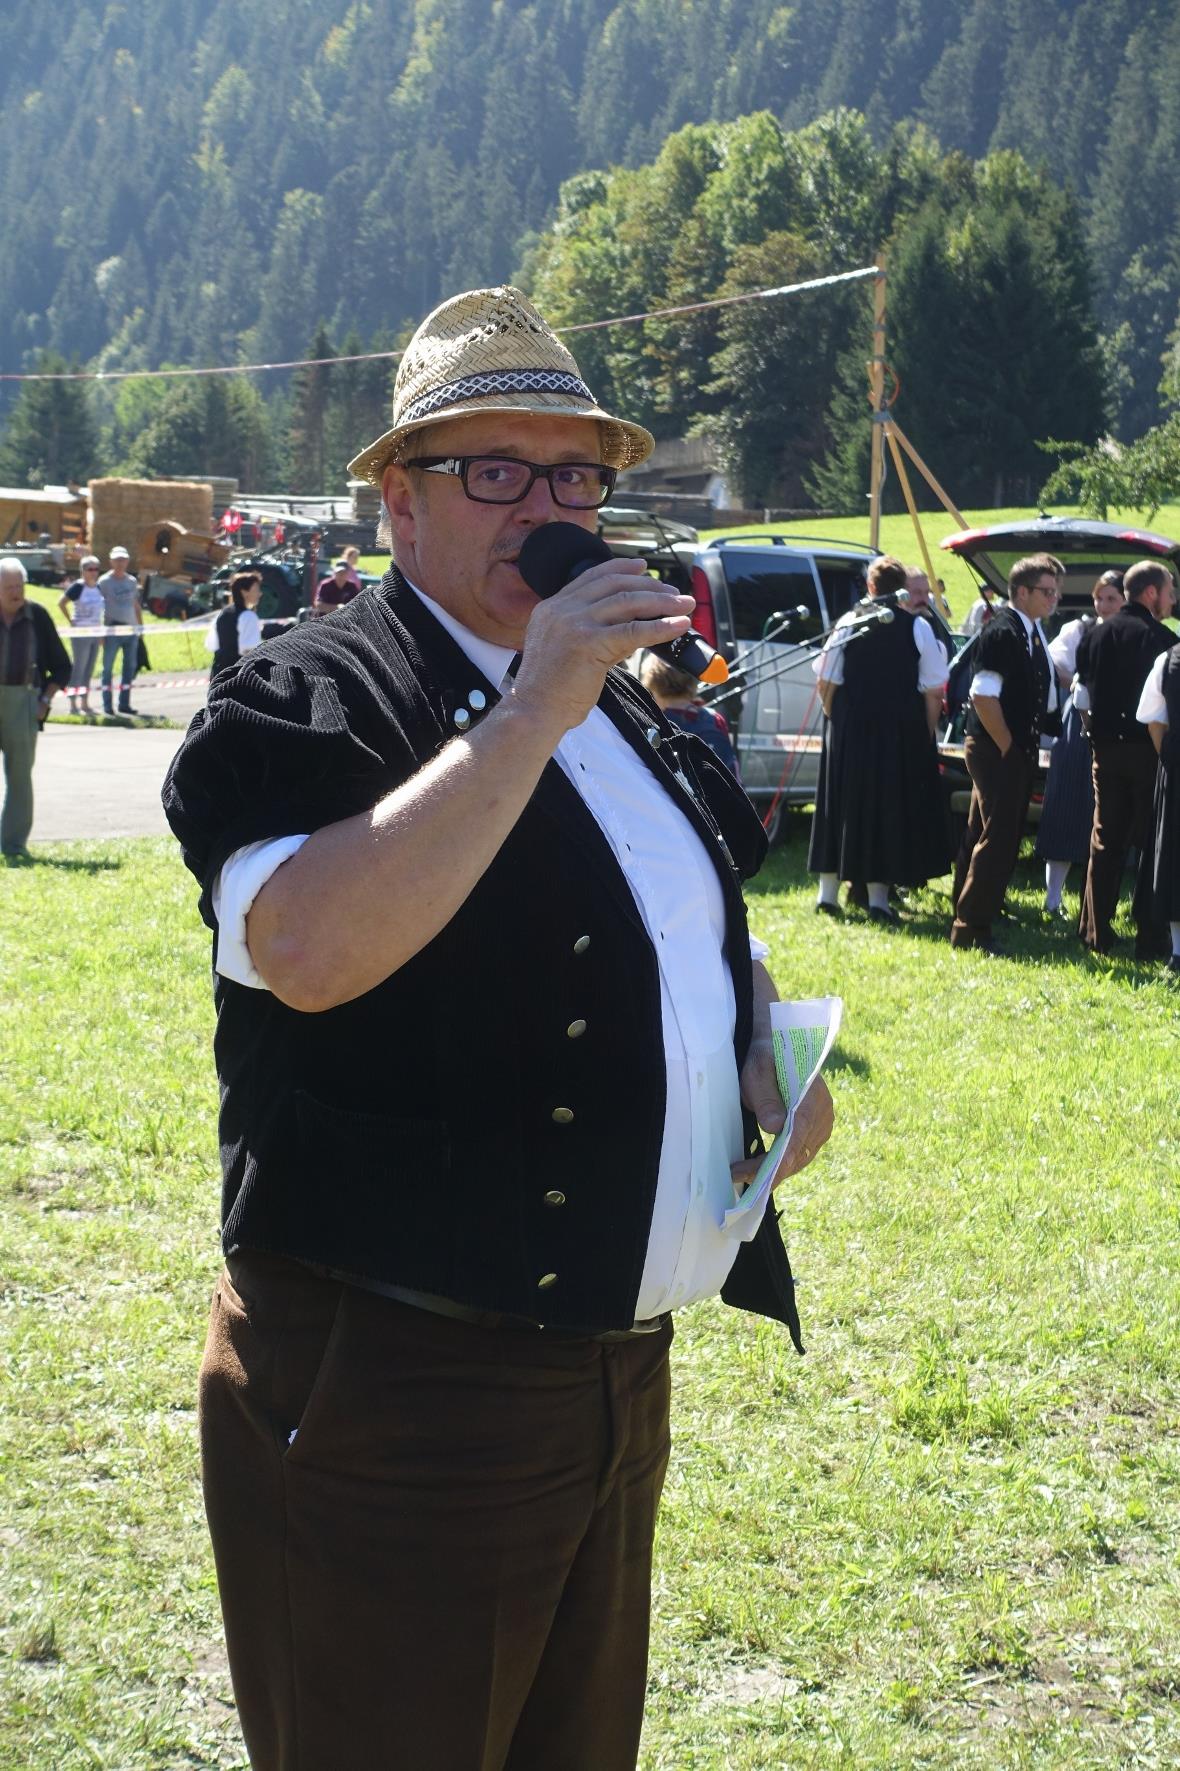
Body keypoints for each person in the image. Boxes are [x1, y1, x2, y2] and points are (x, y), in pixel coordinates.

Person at [161, 283, 833, 1771]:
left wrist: (761, 1062)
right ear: (398, 502)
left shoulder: (630, 712)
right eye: (497, 471)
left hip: (615, 1375)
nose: (547, 510)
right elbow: (306, 951)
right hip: (396, 1390)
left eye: (576, 479)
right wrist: (529, 710)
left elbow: (693, 936)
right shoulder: (310, 691)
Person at [807, 555, 950, 924]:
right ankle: (878, 902)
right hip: (897, 733)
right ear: (901, 588)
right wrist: (925, 733)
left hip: (849, 730)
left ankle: (827, 895)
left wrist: (835, 720)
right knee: (886, 808)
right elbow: (934, 688)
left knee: (839, 804)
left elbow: (825, 680)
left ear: (870, 587)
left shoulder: (849, 622)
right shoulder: (917, 628)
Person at [950, 554, 1062, 952]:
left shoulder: (1029, 630)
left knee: (982, 832)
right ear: (1022, 592)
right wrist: (1009, 747)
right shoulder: (1004, 631)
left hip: (1007, 746)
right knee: (998, 838)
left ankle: (971, 909)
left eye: (1055, 592)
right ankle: (971, 927)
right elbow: (982, 695)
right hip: (997, 747)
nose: (1054, 599)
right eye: (1047, 592)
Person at [1074, 559, 1175, 958]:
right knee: (1152, 841)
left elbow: (1082, 695)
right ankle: (1150, 936)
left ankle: (1094, 931)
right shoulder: (1162, 640)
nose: (1172, 599)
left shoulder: (1095, 634)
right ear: (1151, 593)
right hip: (1146, 750)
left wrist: (1094, 734)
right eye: (1169, 591)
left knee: (1105, 839)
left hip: (1104, 750)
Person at [1034, 570, 1125, 916]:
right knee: (1067, 806)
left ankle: (1100, 903)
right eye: (1099, 598)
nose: (1103, 605)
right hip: (1077, 724)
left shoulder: (1131, 634)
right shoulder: (1079, 630)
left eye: (1111, 598)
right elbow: (1052, 664)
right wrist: (1078, 681)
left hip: (1118, 726)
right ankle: (1053, 898)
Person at [0, 556, 71, 861]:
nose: (16, 592)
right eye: (9, 588)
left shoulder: (38, 616)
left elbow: (62, 666)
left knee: (19, 779)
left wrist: (44, 700)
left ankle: (13, 845)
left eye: (19, 586)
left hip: (24, 703)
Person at [1137, 637, 1180, 973]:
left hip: (1176, 762)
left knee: (1174, 855)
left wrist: (1167, 754)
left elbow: (1153, 719)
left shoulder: (1168, 660)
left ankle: (1178, 950)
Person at [637, 650, 739, 774]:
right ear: (692, 680)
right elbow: (731, 767)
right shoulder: (715, 719)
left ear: (652, 683)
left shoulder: (650, 722)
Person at [98, 545, 144, 715]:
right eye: (117, 560)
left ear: (127, 562)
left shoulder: (131, 581)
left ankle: (124, 704)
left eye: (123, 560)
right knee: (107, 668)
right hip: (112, 629)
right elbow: (98, 607)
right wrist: (100, 632)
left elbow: (135, 604)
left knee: (129, 668)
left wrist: (140, 627)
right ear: (111, 562)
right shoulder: (104, 582)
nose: (120, 563)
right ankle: (107, 705)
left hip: (130, 630)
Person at [58, 553, 105, 716]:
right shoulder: (77, 587)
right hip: (80, 634)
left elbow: (100, 613)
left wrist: (101, 634)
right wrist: (71, 620)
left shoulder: (99, 588)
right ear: (83, 571)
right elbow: (61, 603)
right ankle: (73, 705)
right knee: (79, 667)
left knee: (89, 669)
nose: (94, 572)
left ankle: (85, 703)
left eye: (96, 569)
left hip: (95, 633)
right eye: (90, 569)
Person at [206, 571, 264, 680]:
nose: (260, 593)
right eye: (256, 590)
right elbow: (249, 651)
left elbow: (211, 645)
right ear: (244, 592)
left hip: (218, 674)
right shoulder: (248, 616)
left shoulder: (222, 613)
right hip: (239, 676)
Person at [902, 567, 954, 663]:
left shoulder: (933, 624)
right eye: (917, 592)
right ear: (902, 593)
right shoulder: (893, 628)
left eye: (926, 592)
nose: (924, 599)